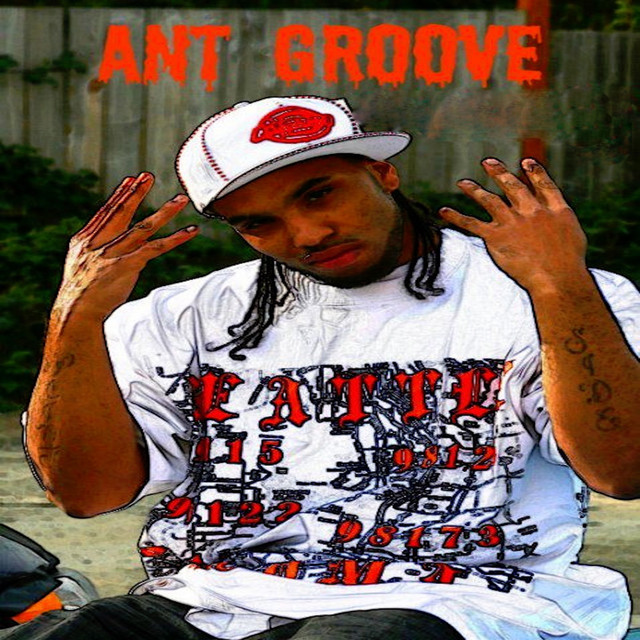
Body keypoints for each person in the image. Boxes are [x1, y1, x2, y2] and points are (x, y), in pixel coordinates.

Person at [11, 95, 640, 639]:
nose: (308, 234)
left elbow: (623, 469)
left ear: (382, 172)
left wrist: (560, 285)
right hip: (210, 603)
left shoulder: (547, 297)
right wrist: (75, 318)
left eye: (319, 194)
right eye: (258, 224)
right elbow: (87, 495)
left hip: (457, 601)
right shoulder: (183, 318)